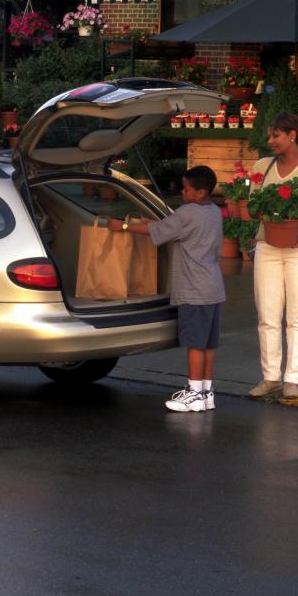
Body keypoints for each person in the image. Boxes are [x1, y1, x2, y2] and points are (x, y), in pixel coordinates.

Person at [108, 165, 225, 412]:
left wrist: (124, 227)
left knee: (194, 343)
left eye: (186, 189)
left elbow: (157, 231)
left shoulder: (187, 212)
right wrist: (162, 222)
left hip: (193, 289)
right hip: (213, 286)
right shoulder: (214, 211)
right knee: (207, 344)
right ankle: (206, 392)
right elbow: (175, 228)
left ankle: (193, 393)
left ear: (200, 192)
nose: (182, 192)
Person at [246, 111, 298, 400]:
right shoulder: (261, 166)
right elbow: (253, 207)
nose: (270, 140)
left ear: (292, 135)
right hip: (268, 245)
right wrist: (263, 212)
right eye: (269, 135)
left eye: (275, 135)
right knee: (267, 314)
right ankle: (270, 378)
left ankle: (293, 379)